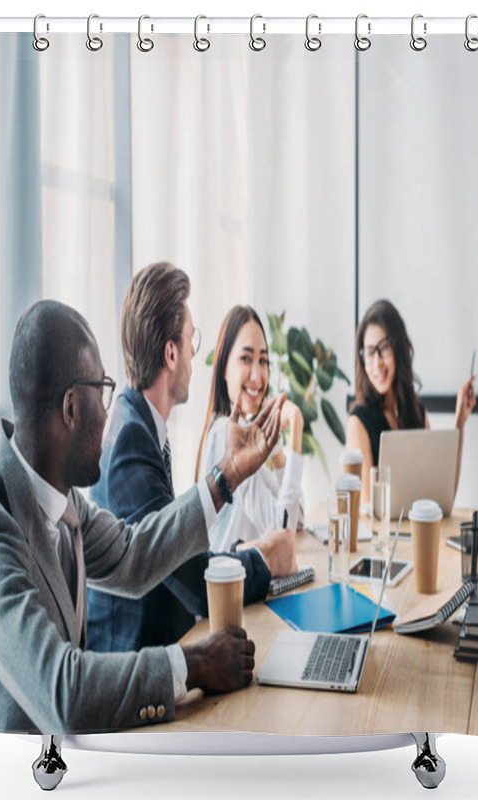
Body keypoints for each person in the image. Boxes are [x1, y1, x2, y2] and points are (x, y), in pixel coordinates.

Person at [0, 299, 287, 734]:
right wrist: (192, 663)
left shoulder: (63, 501)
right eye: (103, 391)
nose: (109, 411)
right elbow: (63, 692)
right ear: (71, 407)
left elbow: (134, 554)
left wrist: (227, 476)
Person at [87, 263, 296, 652]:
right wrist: (265, 559)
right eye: (190, 341)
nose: (193, 357)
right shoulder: (131, 440)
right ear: (171, 353)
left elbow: (174, 558)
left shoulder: (136, 424)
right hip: (133, 671)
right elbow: (194, 583)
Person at [197, 305, 305, 553]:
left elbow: (296, 519)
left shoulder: (243, 428)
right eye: (246, 359)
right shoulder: (226, 433)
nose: (257, 376)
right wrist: (296, 426)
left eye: (263, 360)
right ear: (224, 366)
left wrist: (276, 448)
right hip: (233, 588)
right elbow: (283, 531)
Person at [346, 299, 476, 500]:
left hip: (419, 530)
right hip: (383, 532)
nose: (377, 363)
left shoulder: (416, 413)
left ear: (399, 349)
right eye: (370, 352)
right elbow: (368, 506)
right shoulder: (358, 422)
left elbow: (443, 493)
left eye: (384, 348)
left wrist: (460, 420)